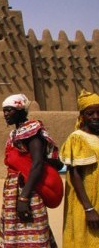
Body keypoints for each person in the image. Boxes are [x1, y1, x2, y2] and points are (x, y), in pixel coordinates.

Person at [0, 94, 63, 247]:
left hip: (29, 191)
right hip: (15, 191)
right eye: (4, 111)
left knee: (33, 228)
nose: (6, 114)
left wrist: (24, 198)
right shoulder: (15, 133)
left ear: (21, 110)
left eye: (10, 110)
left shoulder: (32, 130)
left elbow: (37, 163)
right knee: (15, 232)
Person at [60, 89, 99, 247]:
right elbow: (75, 174)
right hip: (87, 200)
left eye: (98, 112)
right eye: (90, 113)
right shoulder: (77, 138)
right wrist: (89, 209)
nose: (96, 117)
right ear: (82, 116)